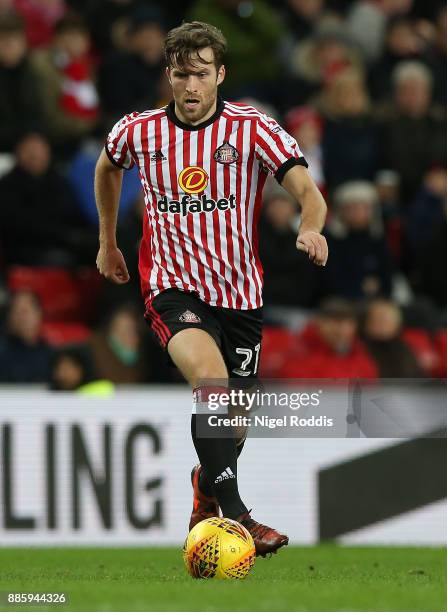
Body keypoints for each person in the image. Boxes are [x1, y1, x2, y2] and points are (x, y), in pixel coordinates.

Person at [94, 21, 328, 557]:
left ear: (220, 74)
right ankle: (241, 518)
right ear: (168, 77)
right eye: (181, 75)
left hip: (241, 295)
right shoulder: (140, 131)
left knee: (233, 427)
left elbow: (307, 193)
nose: (191, 86)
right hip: (172, 288)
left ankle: (206, 487)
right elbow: (109, 166)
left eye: (201, 73)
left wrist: (309, 227)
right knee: (211, 382)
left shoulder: (253, 130)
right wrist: (108, 242)